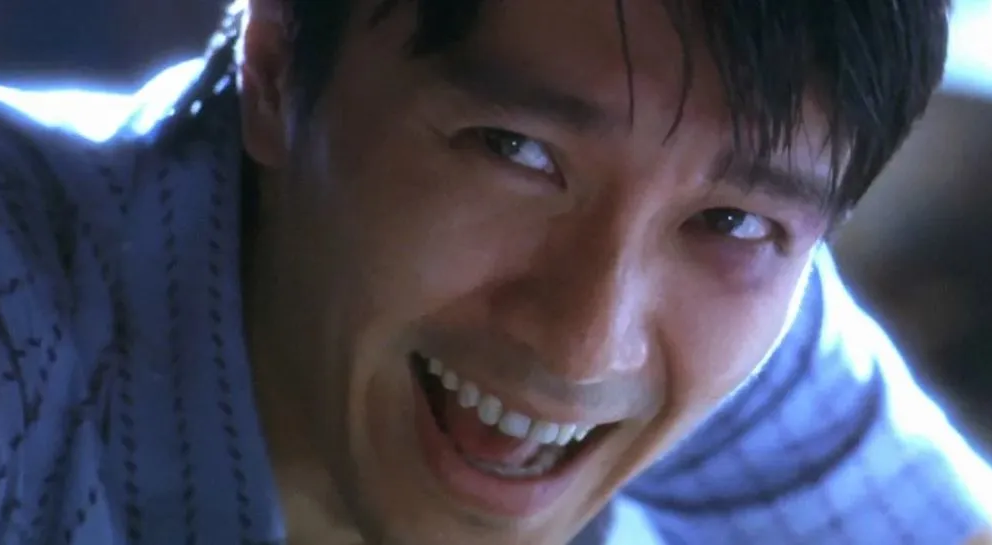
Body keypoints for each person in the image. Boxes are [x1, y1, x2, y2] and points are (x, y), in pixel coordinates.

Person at [1, 0, 990, 543]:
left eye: (729, 217)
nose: (584, 345)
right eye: (514, 150)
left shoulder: (732, 304)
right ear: (276, 65)